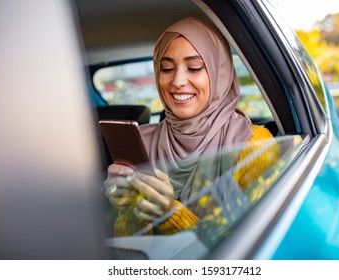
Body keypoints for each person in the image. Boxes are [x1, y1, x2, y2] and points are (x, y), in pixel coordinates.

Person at [103, 17, 278, 237]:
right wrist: (127, 208)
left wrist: (170, 214)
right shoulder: (141, 142)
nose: (177, 81)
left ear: (219, 73)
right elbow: (128, 253)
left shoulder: (254, 146)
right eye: (166, 68)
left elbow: (252, 246)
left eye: (194, 67)